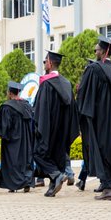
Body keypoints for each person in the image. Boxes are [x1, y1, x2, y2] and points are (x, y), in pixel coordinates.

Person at [75, 36, 111, 201]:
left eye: (97, 49)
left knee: (99, 149)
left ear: (104, 51)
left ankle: (107, 188)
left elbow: (84, 92)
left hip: (98, 118)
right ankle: (107, 183)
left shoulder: (93, 69)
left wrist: (84, 113)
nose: (95, 52)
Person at [34, 51, 78, 197]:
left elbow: (41, 110)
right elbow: (73, 109)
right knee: (57, 156)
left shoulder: (46, 84)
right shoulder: (66, 83)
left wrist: (39, 127)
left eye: (45, 61)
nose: (44, 64)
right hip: (63, 130)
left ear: (50, 63)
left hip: (49, 128)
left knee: (38, 153)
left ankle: (56, 174)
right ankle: (53, 186)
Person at [0, 80, 35, 193]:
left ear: (9, 93)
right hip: (26, 140)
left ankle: (13, 185)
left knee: (12, 161)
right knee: (25, 160)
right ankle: (27, 182)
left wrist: (2, 134)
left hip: (13, 140)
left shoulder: (7, 107)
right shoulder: (26, 105)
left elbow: (5, 127)